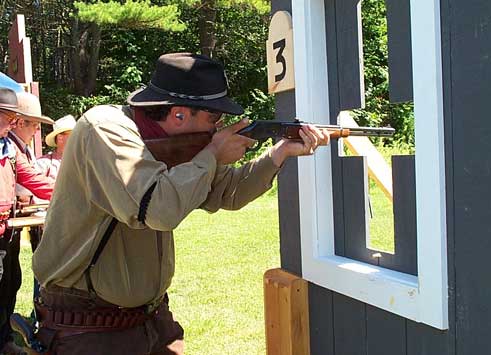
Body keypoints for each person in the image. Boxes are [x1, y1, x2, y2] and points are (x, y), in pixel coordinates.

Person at [32, 53, 329, 355]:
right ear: (178, 115)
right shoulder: (106, 129)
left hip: (149, 317)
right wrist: (211, 155)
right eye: (214, 118)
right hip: (88, 324)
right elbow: (156, 210)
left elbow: (229, 192)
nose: (218, 128)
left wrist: (280, 153)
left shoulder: (187, 146)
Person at [0, 88, 54, 355]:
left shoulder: (9, 149)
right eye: (9, 117)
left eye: (14, 118)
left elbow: (35, 181)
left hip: (6, 231)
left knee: (9, 282)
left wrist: (74, 190)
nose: (13, 124)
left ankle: (4, 340)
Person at [36, 114, 76, 179]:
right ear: (60, 138)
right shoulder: (44, 163)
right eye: (73, 135)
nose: (78, 138)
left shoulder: (82, 162)